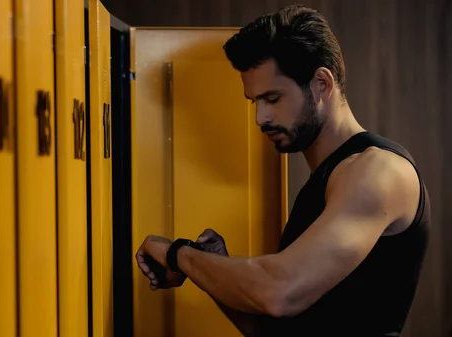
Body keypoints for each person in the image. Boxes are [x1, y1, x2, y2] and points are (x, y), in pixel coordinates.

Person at [135, 4, 430, 337]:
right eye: (254, 102)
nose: (260, 118)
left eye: (272, 98)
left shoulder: (377, 171)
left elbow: (279, 293)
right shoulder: (327, 180)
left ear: (321, 83)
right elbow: (272, 327)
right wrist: (212, 264)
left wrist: (178, 256)